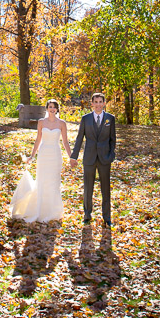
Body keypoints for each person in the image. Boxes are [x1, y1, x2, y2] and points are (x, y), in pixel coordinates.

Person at [10, 99, 72, 223]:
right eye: (50, 106)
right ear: (47, 108)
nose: (52, 109)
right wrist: (32, 156)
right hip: (43, 155)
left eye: (54, 107)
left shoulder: (62, 123)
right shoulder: (41, 122)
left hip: (55, 155)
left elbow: (65, 142)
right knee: (42, 181)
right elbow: (38, 140)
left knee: (53, 182)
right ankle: (39, 210)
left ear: (57, 109)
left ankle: (52, 211)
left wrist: (71, 157)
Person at [70, 92, 116, 228]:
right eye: (95, 102)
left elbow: (113, 139)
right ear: (92, 104)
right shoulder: (86, 119)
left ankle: (107, 218)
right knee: (88, 188)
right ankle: (87, 215)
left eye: (100, 102)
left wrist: (111, 155)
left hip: (104, 159)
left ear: (104, 103)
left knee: (105, 189)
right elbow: (79, 138)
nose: (98, 104)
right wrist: (74, 156)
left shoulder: (110, 119)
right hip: (89, 158)